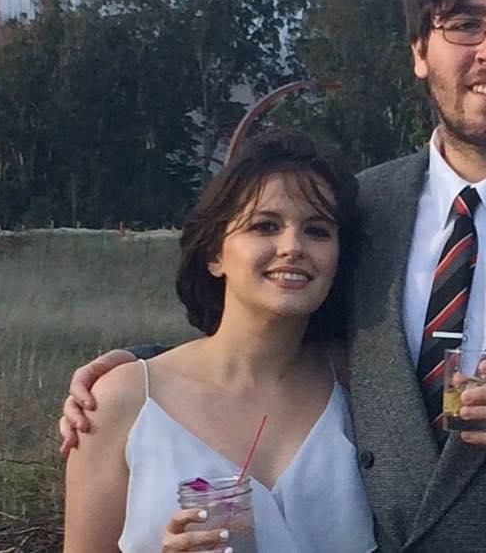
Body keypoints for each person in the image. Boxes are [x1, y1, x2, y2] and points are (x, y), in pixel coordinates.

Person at [61, 0, 486, 551]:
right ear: (420, 52)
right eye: (463, 24)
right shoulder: (359, 206)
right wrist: (138, 372)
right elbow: (283, 336)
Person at [62, 130, 377, 552]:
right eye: (265, 226)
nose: (292, 247)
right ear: (215, 255)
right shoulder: (121, 402)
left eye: (317, 230)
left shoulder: (359, 384)